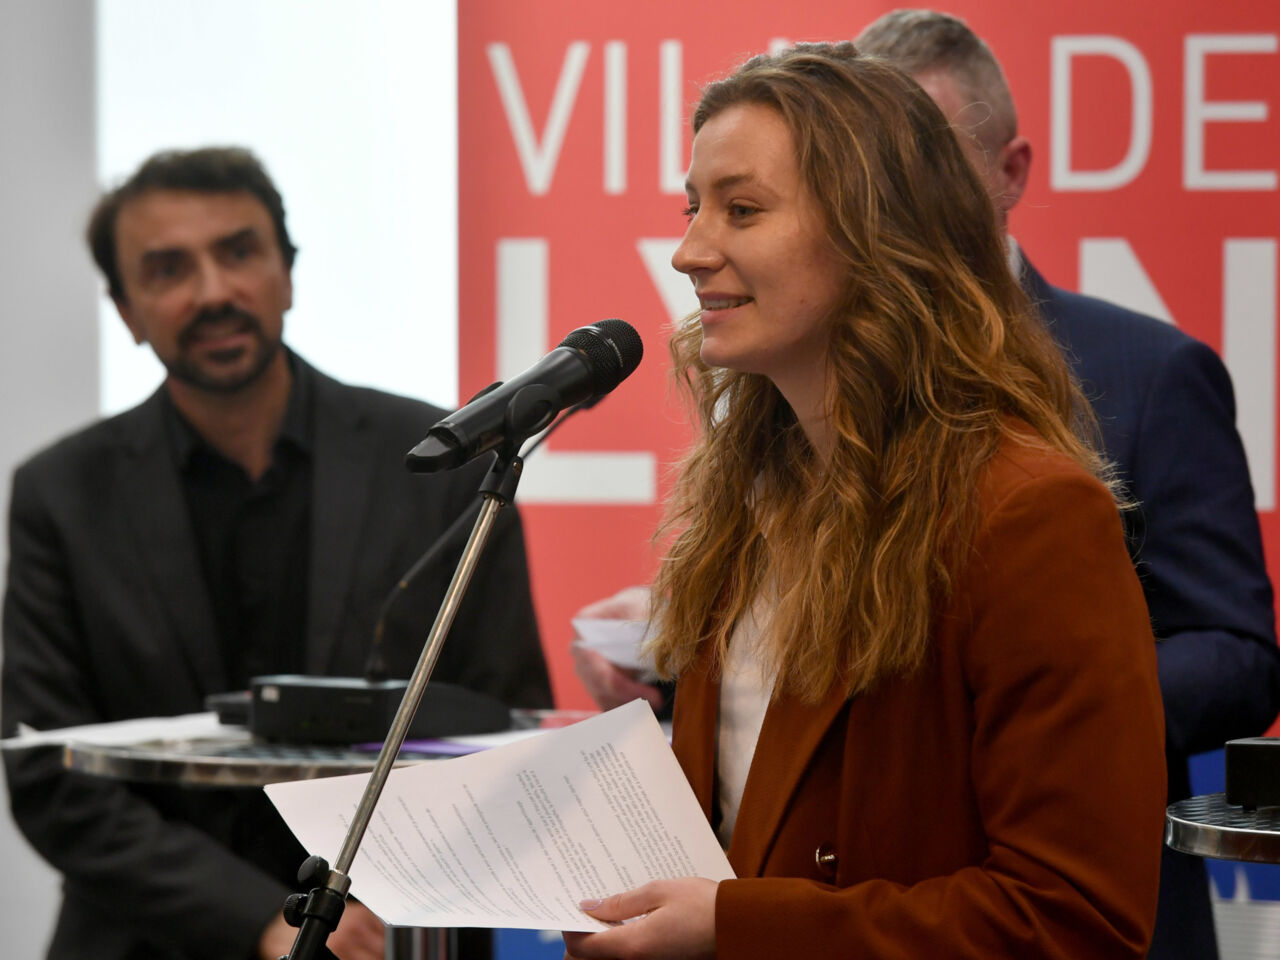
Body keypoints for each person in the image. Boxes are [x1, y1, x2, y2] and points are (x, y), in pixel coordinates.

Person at [563, 43, 1165, 959]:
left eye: (743, 210)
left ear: (879, 231)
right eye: (693, 208)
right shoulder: (741, 509)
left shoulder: (1030, 513)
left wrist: (734, 929)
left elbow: (1077, 919)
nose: (689, 251)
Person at [1, 147, 552, 960]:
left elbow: (503, 731)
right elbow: (52, 777)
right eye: (167, 268)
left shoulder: (443, 462)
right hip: (148, 940)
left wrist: (358, 911)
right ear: (125, 309)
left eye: (239, 252)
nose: (215, 292)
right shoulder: (61, 493)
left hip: (386, 937)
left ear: (287, 273)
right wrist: (258, 916)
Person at [853, 13, 1279, 958]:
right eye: (869, 177)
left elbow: (1237, 654)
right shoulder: (809, 388)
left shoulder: (1150, 371)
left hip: (1090, 913)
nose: (897, 208)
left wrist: (1025, 702)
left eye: (932, 165)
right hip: (862, 911)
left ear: (1012, 171)